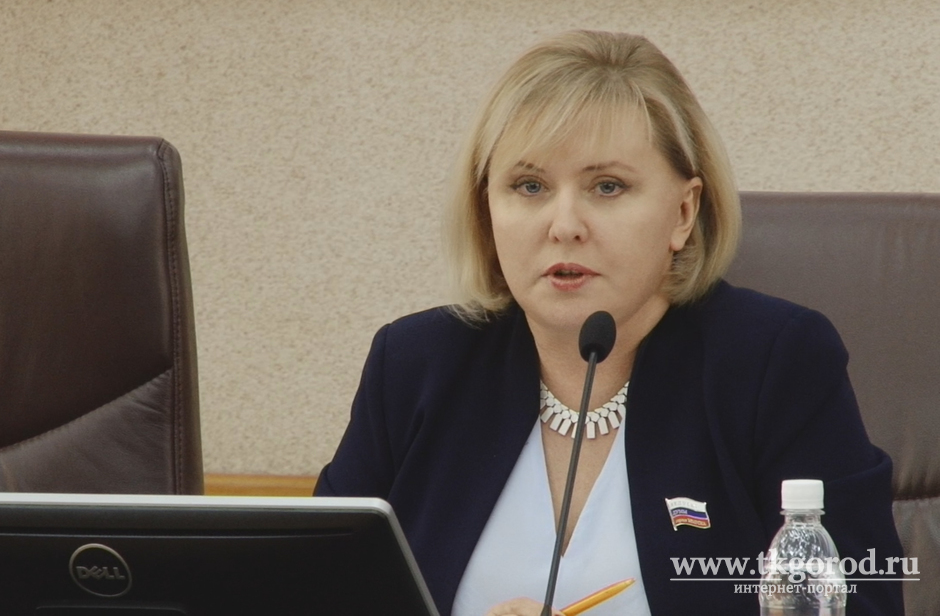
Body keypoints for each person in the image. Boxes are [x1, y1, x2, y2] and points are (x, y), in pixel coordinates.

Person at [314, 31, 904, 616]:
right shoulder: (416, 364)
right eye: (529, 186)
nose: (564, 225)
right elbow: (313, 592)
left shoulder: (773, 363)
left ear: (683, 212)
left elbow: (864, 605)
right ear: (486, 208)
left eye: (607, 186)